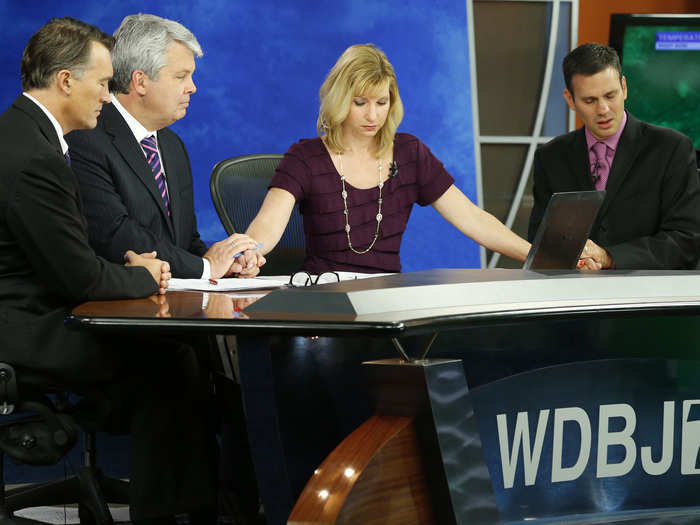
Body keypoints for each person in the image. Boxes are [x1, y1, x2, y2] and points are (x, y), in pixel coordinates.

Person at [0, 17, 218, 524]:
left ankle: (192, 506)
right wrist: (145, 274)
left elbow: (66, 258)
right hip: (21, 329)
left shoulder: (22, 134)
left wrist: (134, 267)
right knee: (168, 362)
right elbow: (78, 278)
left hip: (28, 312)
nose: (107, 93)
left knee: (174, 355)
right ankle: (170, 515)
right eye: (102, 82)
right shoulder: (38, 157)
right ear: (66, 81)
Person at [245, 44, 530, 274]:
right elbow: (268, 223)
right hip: (323, 300)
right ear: (339, 100)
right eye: (360, 103)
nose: (373, 116)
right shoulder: (305, 157)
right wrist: (250, 252)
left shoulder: (410, 153)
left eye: (382, 102)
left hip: (387, 301)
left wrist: (536, 255)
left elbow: (471, 218)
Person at [67, 14, 262, 279]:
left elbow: (184, 241)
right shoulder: (86, 137)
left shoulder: (172, 146)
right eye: (181, 76)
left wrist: (225, 261)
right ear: (141, 81)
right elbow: (114, 235)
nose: (192, 88)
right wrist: (205, 268)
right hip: (118, 305)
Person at [529, 43, 700, 270]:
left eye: (610, 96)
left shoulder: (672, 149)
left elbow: (686, 241)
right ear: (570, 100)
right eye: (590, 101)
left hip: (650, 296)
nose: (603, 110)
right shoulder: (551, 157)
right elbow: (541, 242)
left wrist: (608, 257)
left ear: (624, 87)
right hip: (575, 294)